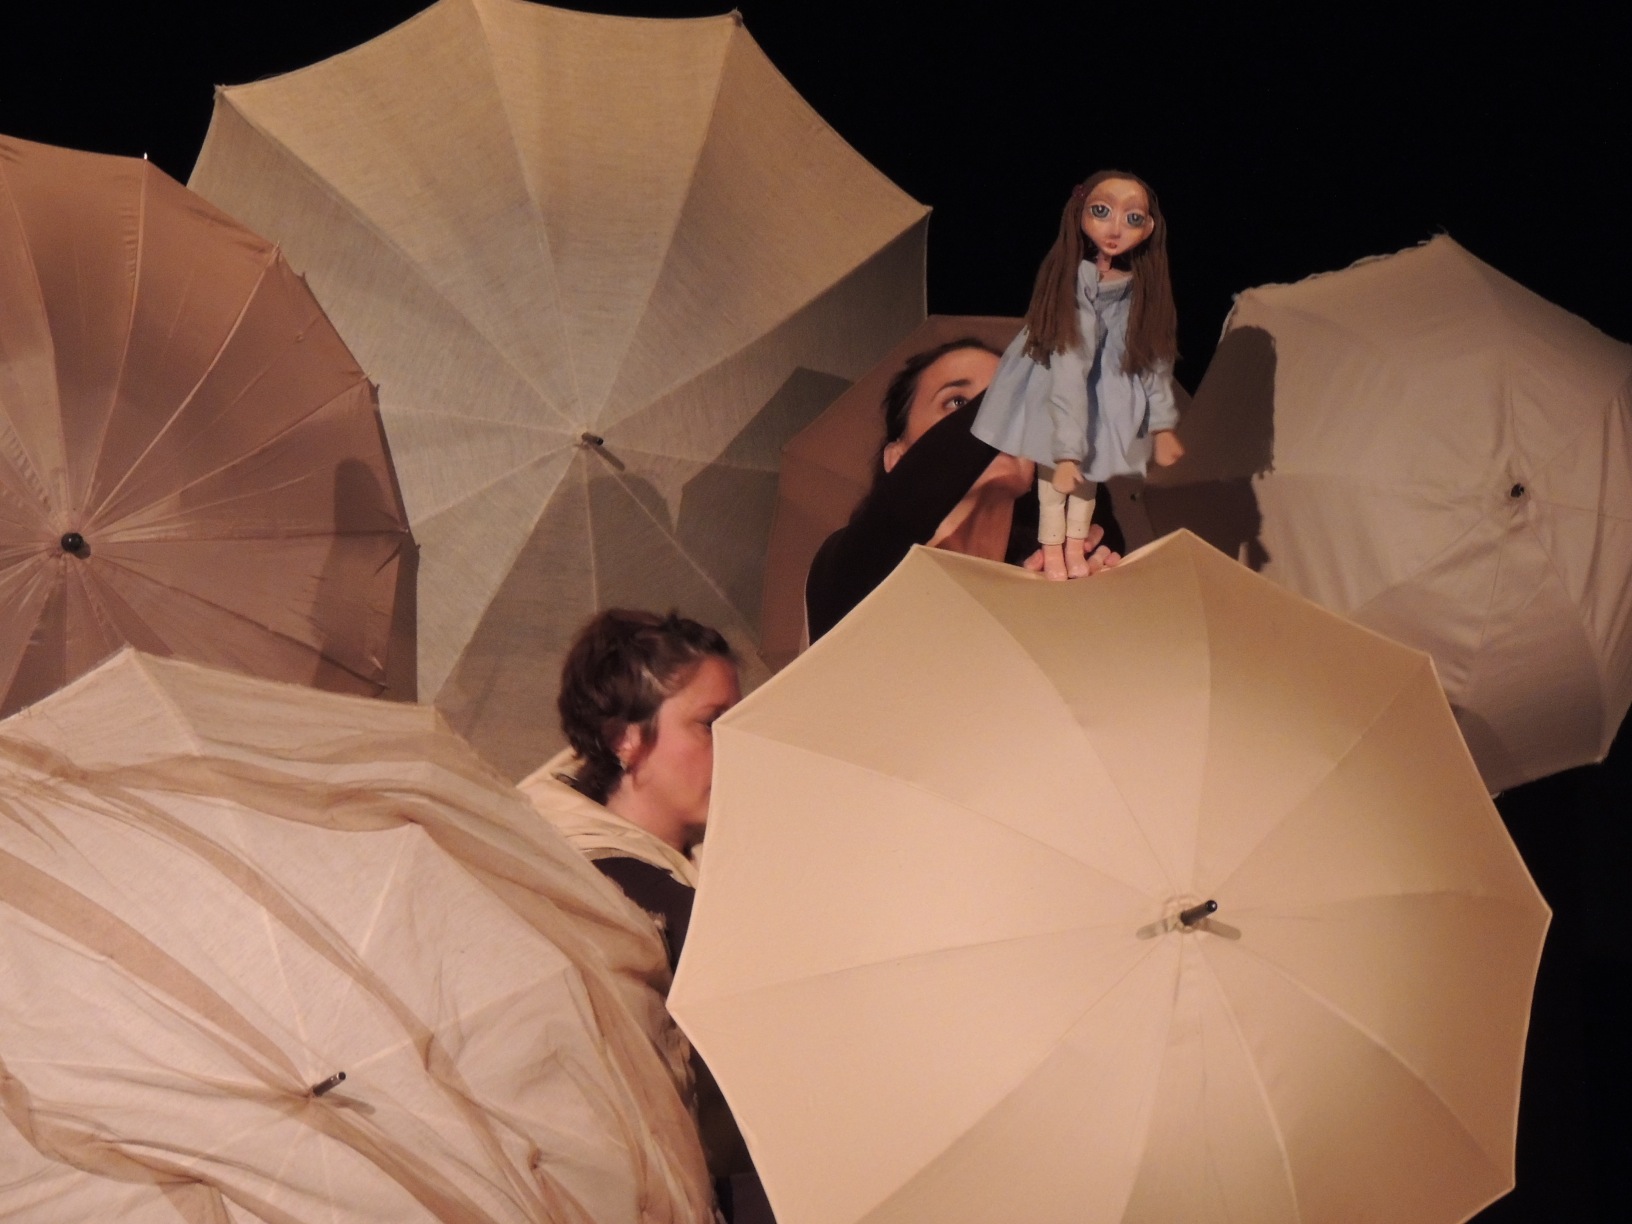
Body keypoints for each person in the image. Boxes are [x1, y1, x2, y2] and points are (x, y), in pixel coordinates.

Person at [521, 608, 773, 1224]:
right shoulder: (617, 899)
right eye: (711, 725)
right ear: (624, 738)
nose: (735, 748)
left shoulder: (708, 862)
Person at [805, 337, 1124, 642]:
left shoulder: (1041, 579)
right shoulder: (848, 567)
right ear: (897, 458)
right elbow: (897, 508)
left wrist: (1084, 603)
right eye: (957, 402)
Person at [972, 170, 1183, 578]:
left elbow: (1152, 356)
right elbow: (1071, 364)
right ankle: (1052, 547)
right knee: (1054, 476)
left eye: (1132, 218)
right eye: (1102, 211)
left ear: (1149, 228)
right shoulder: (1074, 280)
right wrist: (1068, 450)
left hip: (1108, 388)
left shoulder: (1141, 288)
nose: (1115, 228)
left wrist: (1162, 424)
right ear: (1080, 212)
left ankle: (1073, 548)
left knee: (1090, 476)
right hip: (1058, 383)